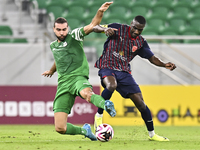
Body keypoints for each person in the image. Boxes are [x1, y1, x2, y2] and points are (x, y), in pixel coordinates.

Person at [92, 15, 176, 141]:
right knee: (111, 85)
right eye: (135, 28)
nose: (136, 31)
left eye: (140, 30)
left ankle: (152, 135)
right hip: (107, 66)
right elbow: (94, 27)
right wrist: (104, 30)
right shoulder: (117, 28)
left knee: (141, 104)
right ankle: (98, 116)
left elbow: (152, 58)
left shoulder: (140, 42)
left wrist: (164, 64)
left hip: (124, 72)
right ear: (131, 23)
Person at [41, 2, 116, 141]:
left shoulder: (74, 35)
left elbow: (92, 26)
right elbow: (58, 59)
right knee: (60, 128)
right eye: (59, 30)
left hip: (77, 78)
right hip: (63, 83)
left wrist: (100, 12)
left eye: (64, 29)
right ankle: (85, 131)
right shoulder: (53, 46)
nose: (62, 32)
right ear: (54, 29)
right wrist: (51, 71)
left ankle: (105, 104)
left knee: (86, 93)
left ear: (67, 28)